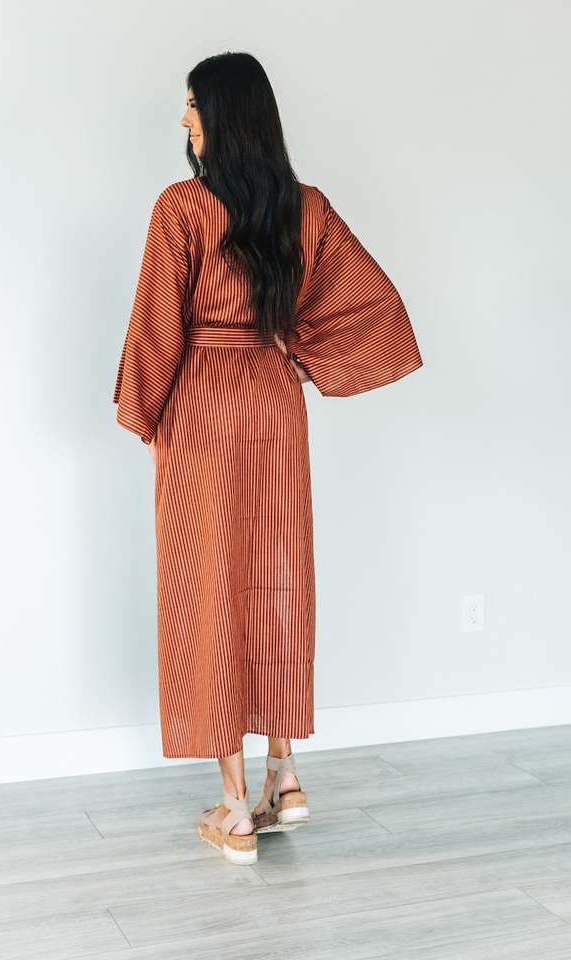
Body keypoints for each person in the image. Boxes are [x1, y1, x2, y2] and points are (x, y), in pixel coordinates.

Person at [113, 52, 423, 865]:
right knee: (277, 571)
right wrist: (300, 357)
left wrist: (141, 410)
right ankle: (285, 776)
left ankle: (233, 807)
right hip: (274, 401)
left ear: (223, 113)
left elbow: (157, 325)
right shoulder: (304, 207)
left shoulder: (181, 207)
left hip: (203, 403)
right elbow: (375, 303)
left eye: (193, 104)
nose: (185, 119)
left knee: (207, 581)